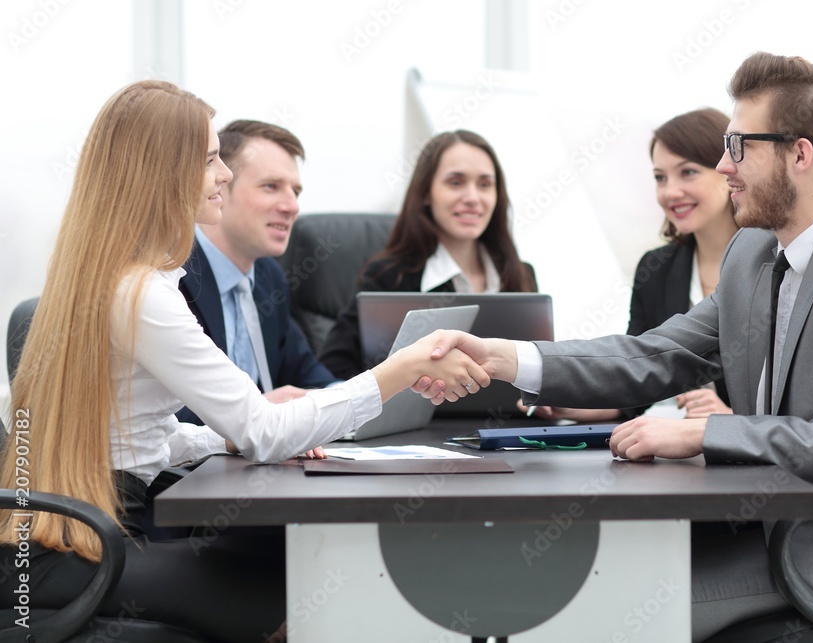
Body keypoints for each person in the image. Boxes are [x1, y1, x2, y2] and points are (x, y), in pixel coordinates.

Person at [420, 52, 813, 642]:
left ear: (800, 154)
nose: (724, 164)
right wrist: (504, 358)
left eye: (738, 145)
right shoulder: (754, 257)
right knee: (559, 579)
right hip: (763, 524)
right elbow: (655, 356)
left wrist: (703, 432)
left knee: (596, 610)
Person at [0, 80, 487, 642]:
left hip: (65, 537)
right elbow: (263, 430)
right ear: (163, 171)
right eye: (210, 159)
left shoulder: (114, 277)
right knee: (294, 576)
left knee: (283, 550)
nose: (224, 174)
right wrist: (396, 371)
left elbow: (144, 437)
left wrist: (219, 439)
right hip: (82, 549)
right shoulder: (143, 295)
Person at [527, 108, 736, 424]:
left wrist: (735, 419)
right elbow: (636, 378)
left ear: (728, 170)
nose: (669, 192)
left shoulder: (776, 262)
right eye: (660, 178)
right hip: (679, 458)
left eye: (688, 172)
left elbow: (804, 404)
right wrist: (575, 405)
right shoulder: (656, 268)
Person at [318, 129, 537, 379]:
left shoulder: (520, 275)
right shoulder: (390, 277)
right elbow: (331, 369)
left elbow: (536, 366)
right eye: (455, 182)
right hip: (421, 419)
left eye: (485, 184)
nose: (473, 198)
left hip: (516, 419)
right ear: (425, 194)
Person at [175, 120, 333, 455]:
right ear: (220, 187)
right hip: (177, 485)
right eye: (271, 186)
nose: (292, 206)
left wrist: (365, 395)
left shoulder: (268, 278)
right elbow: (163, 416)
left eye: (295, 191)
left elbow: (308, 375)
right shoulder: (171, 274)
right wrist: (255, 413)